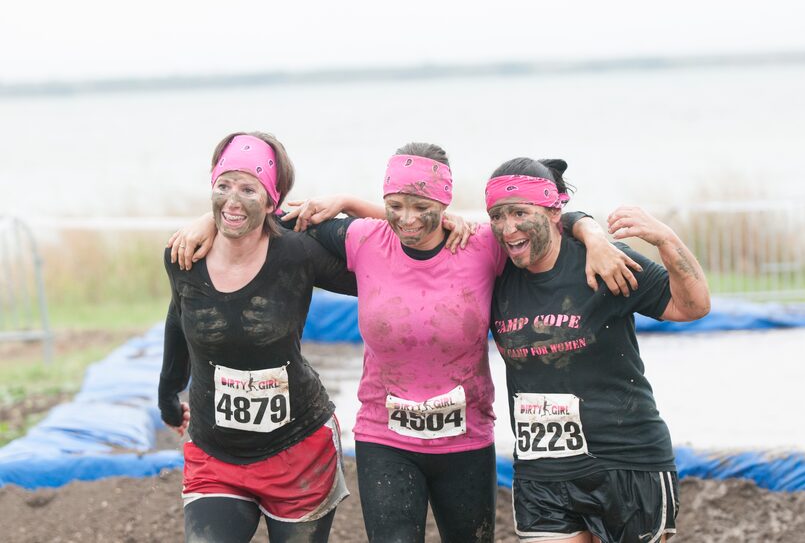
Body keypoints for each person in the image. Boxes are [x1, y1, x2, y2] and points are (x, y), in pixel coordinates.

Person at [171, 142, 640, 543]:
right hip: (385, 437)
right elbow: (259, 214)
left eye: (423, 206)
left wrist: (592, 232)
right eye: (395, 204)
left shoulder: (481, 245)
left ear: (445, 202)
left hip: (465, 439)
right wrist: (207, 224)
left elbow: (544, 218)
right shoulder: (363, 240)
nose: (408, 218)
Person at [484, 157, 710, 543]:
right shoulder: (494, 271)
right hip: (543, 472)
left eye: (520, 212)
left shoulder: (603, 262)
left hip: (627, 462)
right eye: (498, 216)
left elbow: (693, 305)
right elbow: (430, 235)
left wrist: (665, 240)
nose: (508, 228)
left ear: (554, 211)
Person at [159, 131, 360, 543]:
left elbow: (386, 259)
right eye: (223, 186)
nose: (232, 200)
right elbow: (179, 318)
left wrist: (347, 203)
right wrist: (168, 393)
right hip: (215, 452)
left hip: (298, 451)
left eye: (248, 189)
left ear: (272, 200)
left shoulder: (297, 253)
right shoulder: (184, 254)